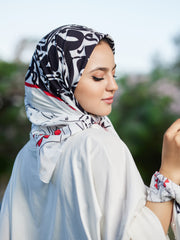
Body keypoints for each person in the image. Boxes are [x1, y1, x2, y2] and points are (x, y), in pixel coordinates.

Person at [0, 24, 180, 240]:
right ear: (61, 81)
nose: (114, 86)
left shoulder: (29, 154)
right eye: (98, 77)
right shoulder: (96, 146)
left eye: (113, 74)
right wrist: (170, 170)